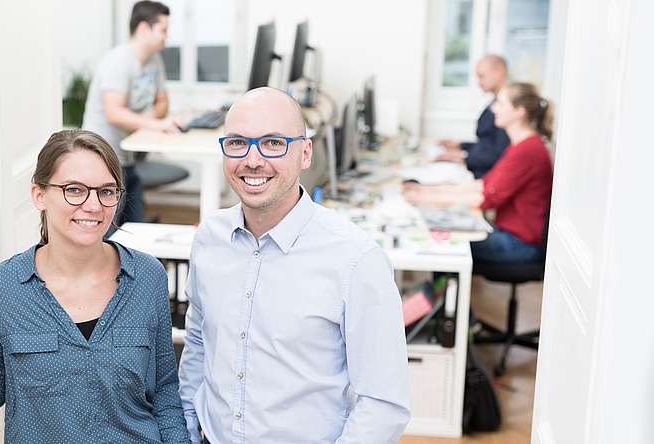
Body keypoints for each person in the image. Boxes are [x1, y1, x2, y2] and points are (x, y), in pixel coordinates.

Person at [0, 129, 190, 443]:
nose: (93, 206)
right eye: (74, 190)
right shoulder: (0, 289)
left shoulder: (148, 276)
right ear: (39, 195)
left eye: (106, 191)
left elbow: (165, 393)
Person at [177, 87, 411, 443]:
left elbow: (384, 404)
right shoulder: (209, 238)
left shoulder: (355, 259)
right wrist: (188, 423)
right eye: (238, 143)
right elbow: (198, 338)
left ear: (305, 153)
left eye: (273, 143)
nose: (252, 160)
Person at [404, 82, 554, 263]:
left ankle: (434, 291)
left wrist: (426, 199)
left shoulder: (528, 149)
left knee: (440, 239)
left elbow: (485, 198)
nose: (494, 109)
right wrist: (427, 191)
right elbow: (483, 185)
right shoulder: (521, 144)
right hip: (509, 234)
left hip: (520, 245)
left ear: (519, 112)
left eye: (500, 103)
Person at [82, 0, 184, 227]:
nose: (167, 37)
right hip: (104, 156)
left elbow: (163, 103)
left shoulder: (154, 61)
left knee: (136, 227)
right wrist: (156, 123)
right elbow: (114, 113)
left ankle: (138, 260)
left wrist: (144, 120)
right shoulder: (118, 61)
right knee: (107, 227)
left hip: (128, 159)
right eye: (163, 30)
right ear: (144, 29)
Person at [436, 55, 511, 179]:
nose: (478, 82)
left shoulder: (507, 110)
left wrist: (464, 157)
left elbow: (499, 154)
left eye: (482, 76)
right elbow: (487, 143)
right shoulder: (494, 102)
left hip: (488, 176)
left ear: (498, 72)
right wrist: (461, 145)